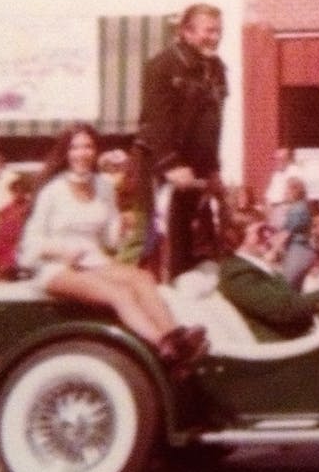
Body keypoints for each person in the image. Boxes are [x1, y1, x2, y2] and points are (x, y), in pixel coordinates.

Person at [19, 124, 206, 369]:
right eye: (75, 147)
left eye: (88, 146)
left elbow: (109, 239)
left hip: (92, 261)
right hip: (56, 266)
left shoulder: (104, 185)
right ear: (66, 152)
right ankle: (163, 345)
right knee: (120, 293)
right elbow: (28, 245)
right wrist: (60, 251)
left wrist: (123, 224)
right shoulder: (53, 191)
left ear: (95, 151)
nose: (82, 153)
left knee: (142, 278)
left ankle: (176, 337)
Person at [127, 3, 227, 280]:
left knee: (188, 241)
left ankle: (181, 304)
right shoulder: (163, 66)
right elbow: (155, 121)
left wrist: (214, 169)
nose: (215, 37)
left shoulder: (216, 69)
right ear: (186, 31)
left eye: (218, 31)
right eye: (208, 31)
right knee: (152, 237)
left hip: (194, 170)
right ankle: (130, 289)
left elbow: (213, 125)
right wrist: (170, 164)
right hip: (158, 164)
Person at [218, 207, 319, 341]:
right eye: (260, 231)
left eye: (267, 229)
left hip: (301, 329)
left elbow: (289, 300)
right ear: (238, 235)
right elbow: (283, 310)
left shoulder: (251, 263)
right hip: (288, 346)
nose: (267, 235)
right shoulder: (236, 272)